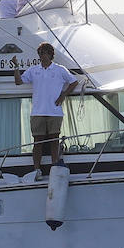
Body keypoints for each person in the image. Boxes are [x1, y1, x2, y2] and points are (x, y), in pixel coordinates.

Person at [14, 42, 79, 174]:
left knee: (54, 141)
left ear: (50, 54)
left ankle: (54, 166)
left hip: (54, 111)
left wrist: (63, 95)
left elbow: (74, 82)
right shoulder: (33, 70)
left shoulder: (60, 69)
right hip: (37, 112)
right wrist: (16, 67)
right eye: (40, 53)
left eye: (43, 53)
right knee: (37, 142)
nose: (41, 56)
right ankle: (37, 169)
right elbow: (18, 81)